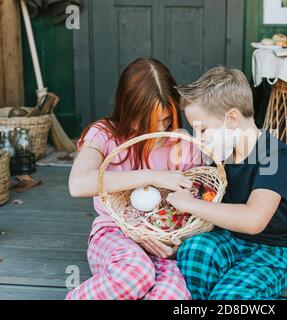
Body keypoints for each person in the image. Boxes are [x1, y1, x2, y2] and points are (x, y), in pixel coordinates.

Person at [66, 58, 200, 300]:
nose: (160, 128)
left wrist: (174, 241)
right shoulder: (105, 134)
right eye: (150, 121)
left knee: (171, 295)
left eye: (166, 119)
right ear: (129, 110)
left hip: (161, 242)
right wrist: (151, 176)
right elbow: (78, 184)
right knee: (135, 273)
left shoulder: (180, 142)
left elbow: (197, 201)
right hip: (114, 233)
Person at [168, 66, 287, 300]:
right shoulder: (222, 156)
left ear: (231, 118)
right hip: (229, 238)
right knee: (194, 250)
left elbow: (253, 220)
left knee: (229, 298)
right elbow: (210, 203)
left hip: (273, 250)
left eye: (202, 129)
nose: (198, 138)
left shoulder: (274, 156)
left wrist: (188, 204)